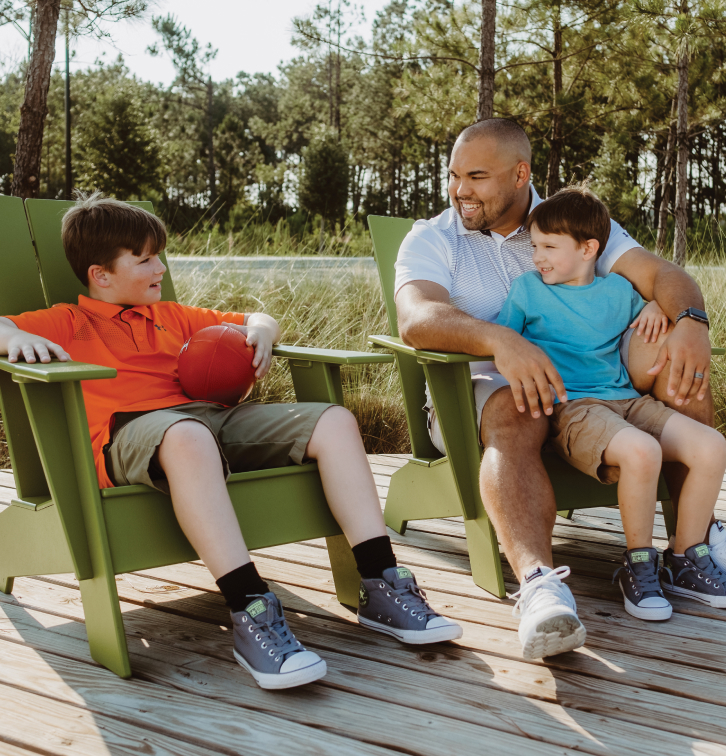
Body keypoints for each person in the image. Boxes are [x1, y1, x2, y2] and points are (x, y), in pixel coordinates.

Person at [0, 193, 462, 690]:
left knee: (334, 421)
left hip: (207, 422)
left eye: (160, 254)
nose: (161, 266)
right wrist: (12, 338)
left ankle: (381, 582)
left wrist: (262, 331)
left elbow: (252, 319)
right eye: (146, 259)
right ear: (101, 275)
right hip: (129, 435)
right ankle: (250, 607)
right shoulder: (66, 322)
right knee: (187, 436)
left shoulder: (173, 316)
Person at [394, 117, 726, 660]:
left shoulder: (567, 220)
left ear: (521, 173)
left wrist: (689, 320)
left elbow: (661, 275)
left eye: (475, 176)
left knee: (678, 364)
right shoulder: (433, 238)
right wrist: (501, 340)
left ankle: (692, 542)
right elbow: (418, 317)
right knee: (517, 406)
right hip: (480, 392)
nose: (459, 191)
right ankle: (539, 584)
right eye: (454, 175)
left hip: (594, 391)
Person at [495, 186, 726, 643]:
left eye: (548, 248)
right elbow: (502, 348)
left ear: (588, 250)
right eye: (535, 247)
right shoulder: (526, 292)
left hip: (626, 399)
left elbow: (653, 309)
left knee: (712, 445)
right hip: (575, 408)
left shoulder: (619, 291)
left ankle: (683, 557)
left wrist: (664, 307)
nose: (537, 258)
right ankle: (638, 564)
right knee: (641, 451)